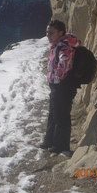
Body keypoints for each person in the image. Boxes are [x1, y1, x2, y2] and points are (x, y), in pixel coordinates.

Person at [40, 20, 80, 155]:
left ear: (60, 32)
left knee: (61, 116)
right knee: (53, 113)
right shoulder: (57, 44)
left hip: (63, 86)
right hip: (57, 85)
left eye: (51, 32)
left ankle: (61, 146)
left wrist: (56, 79)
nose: (48, 35)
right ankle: (49, 141)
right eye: (47, 32)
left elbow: (64, 63)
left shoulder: (64, 46)